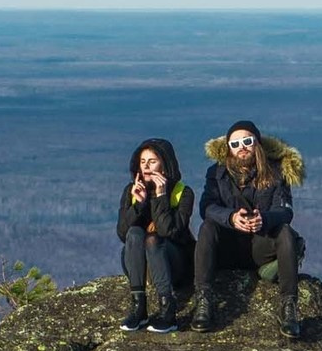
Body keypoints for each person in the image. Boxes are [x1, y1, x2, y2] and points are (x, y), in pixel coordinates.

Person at [193, 119, 307, 339]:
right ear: (228, 148)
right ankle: (204, 300)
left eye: (247, 140)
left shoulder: (276, 172)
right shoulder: (216, 173)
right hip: (228, 247)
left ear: (257, 143)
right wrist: (231, 218)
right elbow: (206, 207)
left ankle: (289, 307)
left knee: (285, 232)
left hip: (259, 246)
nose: (241, 147)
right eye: (235, 144)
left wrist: (264, 219)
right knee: (207, 227)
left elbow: (285, 211)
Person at [117, 137, 195, 331]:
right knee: (135, 233)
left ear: (164, 164)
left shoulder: (182, 192)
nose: (146, 167)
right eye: (143, 162)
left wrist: (161, 196)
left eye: (152, 161)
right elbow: (122, 234)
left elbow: (169, 231)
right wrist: (140, 204)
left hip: (173, 264)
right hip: (141, 267)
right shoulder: (131, 191)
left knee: (153, 239)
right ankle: (138, 308)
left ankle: (168, 311)